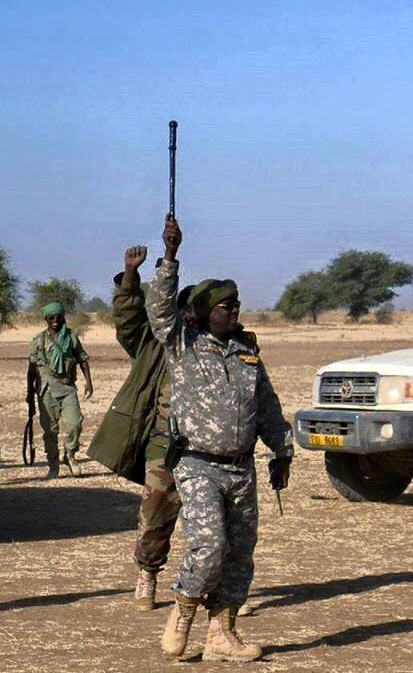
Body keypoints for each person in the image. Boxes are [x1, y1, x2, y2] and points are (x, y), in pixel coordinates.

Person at [148, 217, 293, 662]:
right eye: (225, 306)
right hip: (197, 464)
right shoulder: (184, 344)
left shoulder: (247, 351)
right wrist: (170, 256)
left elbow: (265, 404)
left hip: (241, 468)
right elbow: (159, 309)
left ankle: (221, 635)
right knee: (208, 546)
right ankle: (183, 610)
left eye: (236, 304)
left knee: (239, 554)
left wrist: (282, 449)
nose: (234, 311)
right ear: (206, 311)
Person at [88, 245, 260, 612]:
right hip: (166, 445)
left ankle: (224, 591)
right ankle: (148, 572)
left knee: (222, 527)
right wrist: (132, 275)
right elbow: (131, 317)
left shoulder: (231, 346)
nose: (185, 317)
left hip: (211, 452)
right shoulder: (159, 344)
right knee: (157, 515)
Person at [26, 301, 93, 478]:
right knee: (50, 430)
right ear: (46, 319)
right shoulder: (38, 340)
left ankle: (70, 456)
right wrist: (29, 395)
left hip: (68, 388)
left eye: (58, 317)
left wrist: (88, 382)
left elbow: (82, 359)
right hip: (46, 390)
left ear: (63, 317)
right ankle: (53, 465)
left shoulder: (71, 337)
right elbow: (31, 370)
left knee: (75, 424)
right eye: (51, 317)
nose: (55, 320)